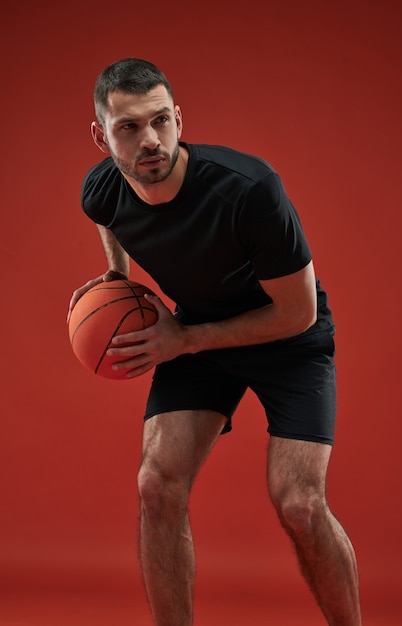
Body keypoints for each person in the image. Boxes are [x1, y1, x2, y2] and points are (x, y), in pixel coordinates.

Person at [68, 58, 362, 626]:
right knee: (156, 485)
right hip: (196, 333)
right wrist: (117, 277)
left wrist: (185, 339)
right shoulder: (102, 189)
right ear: (101, 137)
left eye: (160, 121)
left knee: (299, 504)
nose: (150, 140)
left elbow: (298, 314)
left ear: (179, 118)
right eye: (128, 127)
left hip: (288, 340)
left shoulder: (249, 190)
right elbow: (105, 216)